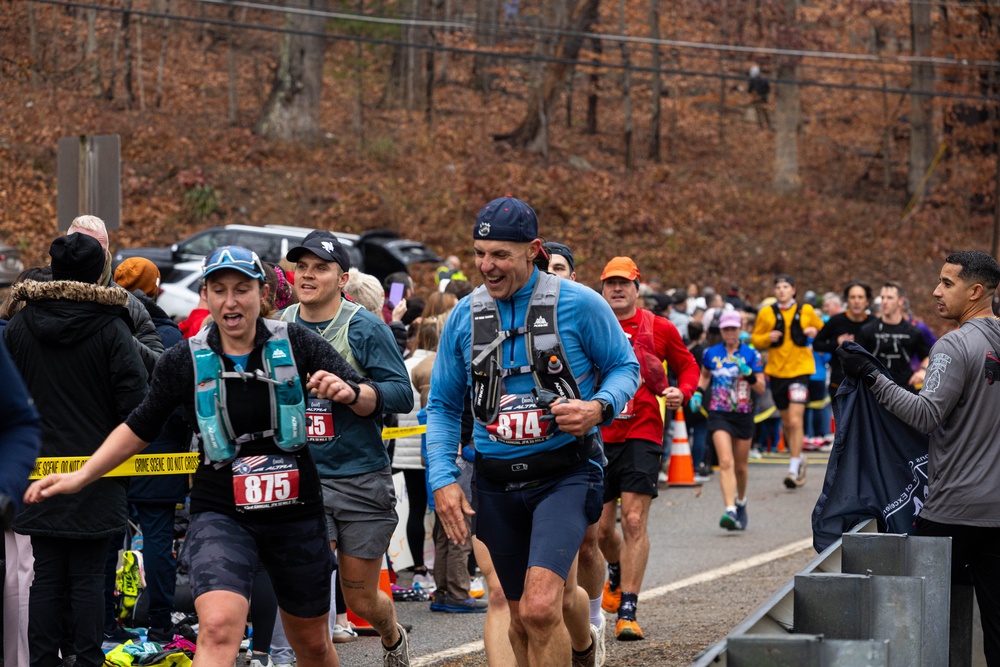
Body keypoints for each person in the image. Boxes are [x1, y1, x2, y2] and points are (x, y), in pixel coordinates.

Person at [24, 244, 363, 667]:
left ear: (263, 294)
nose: (231, 300)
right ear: (206, 295)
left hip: (296, 513)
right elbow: (139, 426)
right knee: (218, 628)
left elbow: (367, 396)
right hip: (221, 513)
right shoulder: (184, 359)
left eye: (242, 289)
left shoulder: (296, 342)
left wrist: (350, 392)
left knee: (311, 644)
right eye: (219, 289)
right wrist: (82, 475)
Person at [426, 196, 640, 667]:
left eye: (500, 254)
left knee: (542, 607)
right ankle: (581, 651)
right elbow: (441, 405)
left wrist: (598, 408)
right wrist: (441, 478)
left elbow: (626, 367)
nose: (487, 265)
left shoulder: (581, 304)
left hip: (564, 473)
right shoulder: (465, 315)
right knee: (520, 614)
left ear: (532, 250)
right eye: (480, 252)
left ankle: (581, 644)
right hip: (496, 481)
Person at [836, 250, 1000, 666]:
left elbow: (925, 415)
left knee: (916, 627)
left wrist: (872, 375)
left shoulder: (953, 344)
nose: (935, 291)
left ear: (976, 291)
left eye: (947, 283)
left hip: (951, 512)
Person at [6, 233, 149, 667]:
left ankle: (43, 661)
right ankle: (88, 660)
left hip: (36, 473)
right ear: (97, 272)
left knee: (46, 577)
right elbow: (136, 402)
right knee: (89, 578)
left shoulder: (18, 327)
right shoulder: (112, 328)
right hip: (100, 470)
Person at [277, 231, 414, 665]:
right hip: (303, 479)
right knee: (309, 587)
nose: (309, 275)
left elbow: (401, 395)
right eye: (302, 267)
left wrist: (353, 392)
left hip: (359, 477)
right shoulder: (279, 326)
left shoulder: (364, 326)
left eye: (320, 268)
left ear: (342, 278)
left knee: (360, 599)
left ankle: (391, 634)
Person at [596, 256, 699, 641]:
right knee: (602, 529)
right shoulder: (590, 324)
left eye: (625, 283)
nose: (618, 289)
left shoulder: (659, 328)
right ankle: (617, 573)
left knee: (635, 521)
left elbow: (688, 366)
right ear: (602, 289)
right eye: (611, 283)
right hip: (599, 436)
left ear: (638, 289)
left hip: (643, 432)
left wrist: (681, 392)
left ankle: (628, 610)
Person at [112, 257, 190, 643]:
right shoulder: (170, 337)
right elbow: (180, 399)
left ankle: (106, 620)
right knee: (159, 537)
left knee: (110, 535)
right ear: (155, 289)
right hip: (160, 448)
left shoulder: (105, 329)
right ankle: (160, 621)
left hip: (110, 449)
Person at [690, 310, 765, 530]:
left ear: (740, 330)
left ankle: (741, 501)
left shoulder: (752, 354)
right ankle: (730, 509)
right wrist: (698, 392)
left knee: (741, 466)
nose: (730, 333)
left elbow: (760, 387)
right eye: (726, 329)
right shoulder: (710, 353)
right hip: (719, 412)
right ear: (721, 331)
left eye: (734, 329)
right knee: (725, 462)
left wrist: (749, 373)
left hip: (743, 413)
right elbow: (705, 375)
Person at [750, 274, 824, 489]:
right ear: (775, 291)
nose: (782, 290)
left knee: (794, 419)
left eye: (786, 287)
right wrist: (767, 338)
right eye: (778, 287)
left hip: (801, 371)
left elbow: (823, 331)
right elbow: (755, 338)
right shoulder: (766, 313)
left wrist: (814, 331)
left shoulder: (806, 311)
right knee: (786, 421)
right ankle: (799, 457)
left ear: (793, 290)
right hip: (776, 371)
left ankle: (792, 466)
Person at [67, 215, 164, 374]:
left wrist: (118, 336)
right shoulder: (39, 299)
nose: (93, 258)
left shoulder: (129, 304)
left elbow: (158, 364)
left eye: (99, 251)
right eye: (85, 249)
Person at [855, 282, 931, 393]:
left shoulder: (912, 331)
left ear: (900, 301)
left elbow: (926, 356)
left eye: (890, 298)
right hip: (874, 391)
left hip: (904, 390)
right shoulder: (868, 330)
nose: (884, 302)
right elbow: (857, 359)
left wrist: (922, 371)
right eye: (882, 298)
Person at [812, 282, 873, 396]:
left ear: (867, 301)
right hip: (840, 382)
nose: (856, 301)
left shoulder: (874, 323)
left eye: (860, 297)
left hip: (869, 382)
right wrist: (837, 343)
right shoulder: (836, 321)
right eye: (852, 297)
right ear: (847, 300)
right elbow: (816, 344)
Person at [748, 65, 771, 130]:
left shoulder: (752, 81)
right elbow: (768, 89)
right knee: (765, 111)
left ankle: (761, 126)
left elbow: (749, 90)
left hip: (757, 97)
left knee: (758, 112)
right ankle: (768, 124)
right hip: (764, 97)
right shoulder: (763, 80)